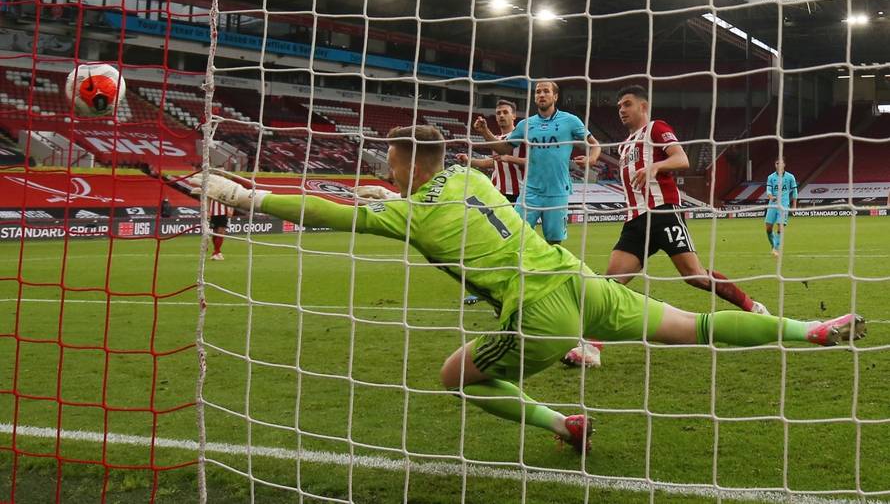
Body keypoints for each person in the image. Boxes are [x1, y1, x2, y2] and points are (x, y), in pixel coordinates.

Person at [188, 125, 866, 454]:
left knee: (456, 375)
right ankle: (809, 329)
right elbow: (400, 188)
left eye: (386, 162)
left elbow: (323, 211)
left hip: (537, 312)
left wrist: (237, 191)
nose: (383, 169)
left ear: (400, 163)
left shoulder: (409, 210)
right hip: (579, 280)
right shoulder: (471, 179)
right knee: (694, 325)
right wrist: (382, 189)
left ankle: (562, 422)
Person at [606, 85, 769, 315]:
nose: (621, 110)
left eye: (627, 104)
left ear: (643, 106)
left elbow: (682, 159)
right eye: (619, 106)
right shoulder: (624, 146)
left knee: (695, 276)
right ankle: (592, 347)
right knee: (610, 283)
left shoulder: (656, 128)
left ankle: (753, 307)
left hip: (663, 214)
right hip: (635, 222)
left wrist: (656, 166)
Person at [476, 80, 601, 245]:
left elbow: (595, 144)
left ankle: (552, 270)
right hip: (530, 191)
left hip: (557, 191)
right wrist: (485, 132)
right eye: (538, 92)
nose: (541, 94)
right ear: (534, 97)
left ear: (555, 96)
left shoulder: (570, 121)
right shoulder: (526, 125)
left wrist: (591, 159)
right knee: (516, 235)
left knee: (554, 241)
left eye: (546, 91)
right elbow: (504, 148)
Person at [456, 99, 526, 306]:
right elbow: (492, 162)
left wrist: (509, 157)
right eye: (498, 113)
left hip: (519, 195)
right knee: (490, 239)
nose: (501, 116)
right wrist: (470, 161)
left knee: (513, 242)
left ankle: (514, 283)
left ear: (514, 116)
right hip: (497, 194)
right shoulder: (498, 139)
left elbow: (527, 160)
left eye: (505, 112)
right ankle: (488, 287)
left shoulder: (521, 137)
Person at [764, 158, 798, 257]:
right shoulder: (771, 177)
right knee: (768, 228)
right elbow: (768, 190)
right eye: (777, 163)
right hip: (772, 205)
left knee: (780, 226)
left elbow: (794, 192)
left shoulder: (790, 177)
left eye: (781, 163)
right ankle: (773, 244)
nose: (779, 165)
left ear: (784, 165)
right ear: (775, 165)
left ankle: (775, 249)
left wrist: (794, 206)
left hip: (784, 205)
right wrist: (770, 196)